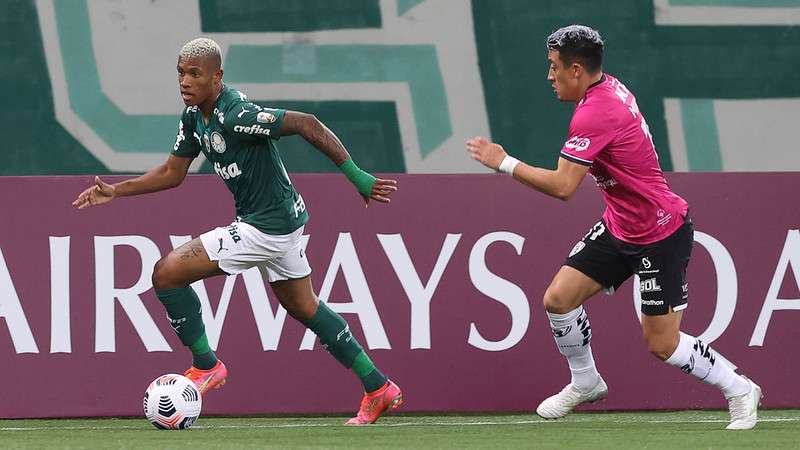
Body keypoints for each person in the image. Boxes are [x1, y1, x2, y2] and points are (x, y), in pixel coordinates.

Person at [73, 37, 402, 425]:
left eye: (195, 74)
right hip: (282, 222)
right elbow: (172, 173)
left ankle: (206, 366)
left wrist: (358, 177)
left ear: (218, 77)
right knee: (304, 306)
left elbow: (307, 124)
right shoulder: (194, 118)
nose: (185, 82)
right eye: (181, 74)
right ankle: (378, 387)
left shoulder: (237, 115)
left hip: (265, 227)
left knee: (166, 273)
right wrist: (117, 190)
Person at [466, 25, 760, 430]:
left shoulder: (595, 112)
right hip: (620, 226)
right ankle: (586, 381)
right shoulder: (605, 89)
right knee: (558, 299)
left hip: (660, 232)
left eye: (553, 68)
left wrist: (503, 162)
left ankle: (740, 389)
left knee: (661, 343)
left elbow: (564, 186)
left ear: (575, 70)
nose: (548, 77)